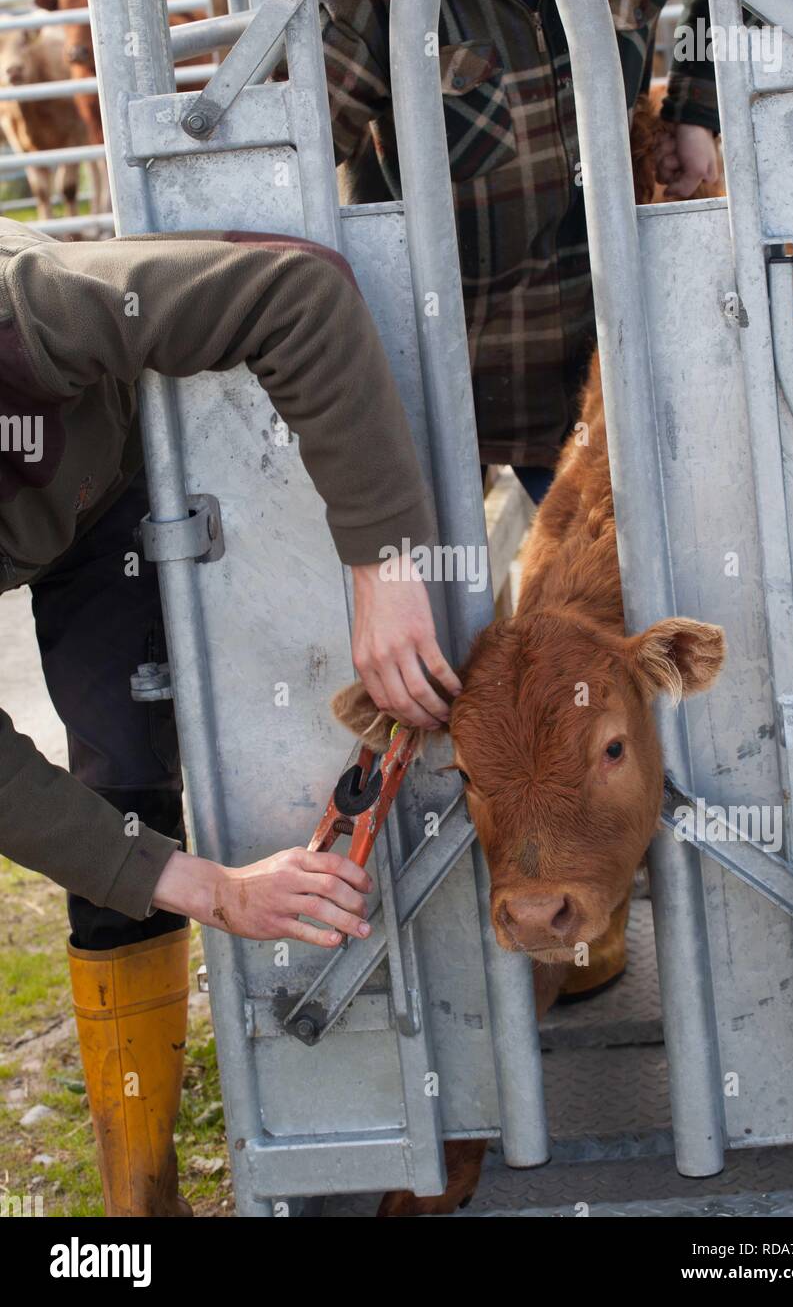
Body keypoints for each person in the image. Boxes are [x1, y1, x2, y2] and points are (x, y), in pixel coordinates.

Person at [318, 0, 788, 997]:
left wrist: (701, 114)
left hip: (604, 363)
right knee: (455, 670)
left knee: (600, 659)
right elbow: (285, 146)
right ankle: (459, 1009)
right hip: (444, 386)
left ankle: (613, 940)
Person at [0, 215, 460, 1214]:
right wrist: (216, 890)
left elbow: (295, 292)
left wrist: (385, 562)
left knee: (121, 755)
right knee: (114, 815)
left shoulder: (31, 306)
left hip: (115, 480)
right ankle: (142, 1186)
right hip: (39, 512)